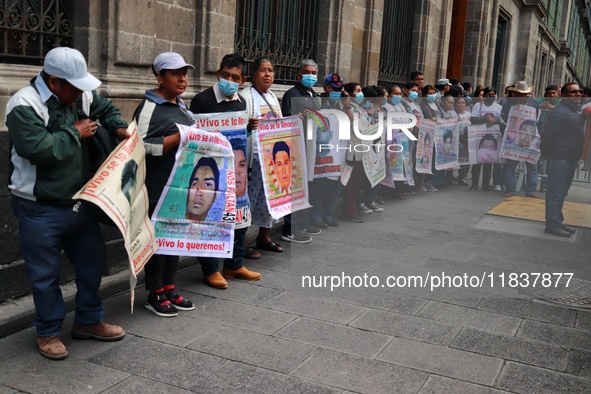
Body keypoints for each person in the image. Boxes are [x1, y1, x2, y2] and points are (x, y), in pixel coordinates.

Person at [7, 47, 128, 360]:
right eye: (74, 87)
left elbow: (106, 108)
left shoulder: (81, 96)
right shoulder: (24, 104)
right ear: (53, 81)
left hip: (80, 201)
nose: (80, 93)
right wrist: (75, 132)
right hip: (39, 207)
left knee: (92, 263)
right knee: (45, 276)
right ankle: (47, 331)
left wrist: (118, 127)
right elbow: (38, 149)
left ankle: (88, 320)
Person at [189, 53, 261, 288]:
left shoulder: (242, 102)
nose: (230, 80)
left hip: (235, 171)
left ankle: (234, 265)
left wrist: (248, 129)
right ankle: (210, 269)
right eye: (226, 75)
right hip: (211, 171)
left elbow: (239, 137)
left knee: (239, 217)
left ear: (242, 80)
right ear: (218, 74)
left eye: (235, 77)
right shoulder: (202, 100)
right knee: (210, 218)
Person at [133, 52, 197, 317]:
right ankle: (154, 292)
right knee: (157, 241)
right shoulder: (148, 107)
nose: (183, 79)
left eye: (185, 73)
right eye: (175, 74)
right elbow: (139, 146)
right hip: (156, 188)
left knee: (174, 239)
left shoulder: (182, 106)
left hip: (180, 187)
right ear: (160, 77)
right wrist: (179, 137)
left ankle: (170, 287)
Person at [241, 58, 302, 247]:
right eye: (263, 70)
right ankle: (240, 244)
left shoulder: (273, 97)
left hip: (272, 160)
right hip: (254, 159)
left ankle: (264, 237)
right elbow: (239, 125)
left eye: (270, 70)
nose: (267, 74)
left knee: (270, 200)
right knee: (248, 201)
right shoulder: (245, 96)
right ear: (254, 74)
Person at [280, 59, 322, 243]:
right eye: (307, 72)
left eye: (314, 73)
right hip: (295, 147)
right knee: (294, 187)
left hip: (311, 147)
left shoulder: (315, 95)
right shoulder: (291, 94)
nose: (310, 76)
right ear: (299, 75)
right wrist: (298, 118)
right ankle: (289, 228)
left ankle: (303, 222)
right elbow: (285, 119)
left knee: (306, 188)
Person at [542, 82, 586, 237]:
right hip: (560, 158)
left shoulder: (573, 111)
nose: (578, 94)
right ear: (564, 95)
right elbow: (548, 136)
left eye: (579, 92)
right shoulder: (560, 112)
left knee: (561, 194)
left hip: (569, 159)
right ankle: (552, 224)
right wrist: (547, 155)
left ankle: (557, 221)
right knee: (555, 193)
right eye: (574, 92)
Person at [501, 81, 540, 198]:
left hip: (530, 140)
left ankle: (531, 191)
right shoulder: (507, 104)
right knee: (510, 166)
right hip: (513, 141)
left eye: (524, 94)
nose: (522, 96)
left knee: (532, 166)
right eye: (519, 94)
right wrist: (507, 136)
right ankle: (510, 189)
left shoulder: (534, 103)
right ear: (514, 93)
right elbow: (502, 121)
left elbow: (538, 121)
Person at [470, 86, 502, 192]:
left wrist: (494, 121)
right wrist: (487, 119)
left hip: (493, 137)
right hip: (479, 136)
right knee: (477, 161)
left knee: (488, 161)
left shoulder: (498, 107)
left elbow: (501, 120)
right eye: (489, 95)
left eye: (493, 95)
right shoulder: (478, 106)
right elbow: (473, 118)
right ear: (485, 95)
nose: (491, 96)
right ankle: (474, 185)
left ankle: (486, 185)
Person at [186, 157, 219, 221]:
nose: (198, 193)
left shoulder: (218, 227)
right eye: (194, 184)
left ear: (216, 195)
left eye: (207, 185)